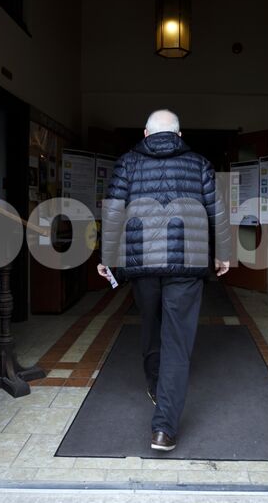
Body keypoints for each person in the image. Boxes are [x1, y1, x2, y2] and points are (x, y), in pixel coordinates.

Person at [98, 109, 231, 452]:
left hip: (141, 263)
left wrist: (107, 258)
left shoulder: (128, 162)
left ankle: (156, 384)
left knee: (150, 320)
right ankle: (164, 429)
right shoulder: (199, 163)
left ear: (145, 132)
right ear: (179, 134)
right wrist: (223, 254)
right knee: (178, 339)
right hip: (186, 266)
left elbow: (113, 210)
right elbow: (218, 210)